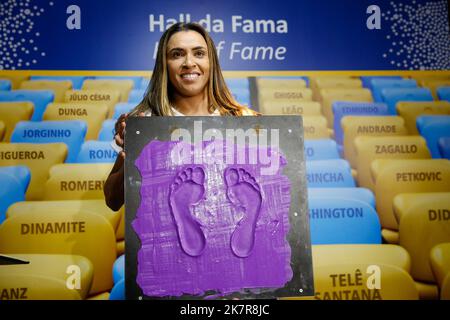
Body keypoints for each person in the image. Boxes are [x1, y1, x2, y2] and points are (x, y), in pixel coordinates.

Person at [104, 22, 256, 211]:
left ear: (212, 62)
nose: (189, 63)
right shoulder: (144, 121)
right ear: (164, 64)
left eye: (199, 53)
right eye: (177, 54)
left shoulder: (243, 119)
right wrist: (133, 153)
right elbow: (112, 201)